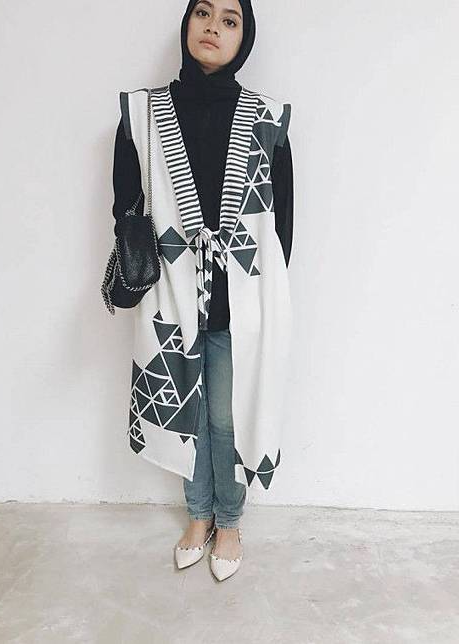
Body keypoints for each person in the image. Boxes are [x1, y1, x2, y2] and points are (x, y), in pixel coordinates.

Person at [107, 0, 293, 581]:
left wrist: (254, 293)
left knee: (226, 416)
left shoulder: (267, 119)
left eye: (230, 20)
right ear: (187, 22)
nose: (213, 27)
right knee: (184, 411)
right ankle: (198, 515)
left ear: (244, 37)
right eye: (203, 13)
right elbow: (125, 208)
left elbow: (281, 226)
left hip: (239, 301)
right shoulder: (142, 114)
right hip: (171, 294)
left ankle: (229, 520)